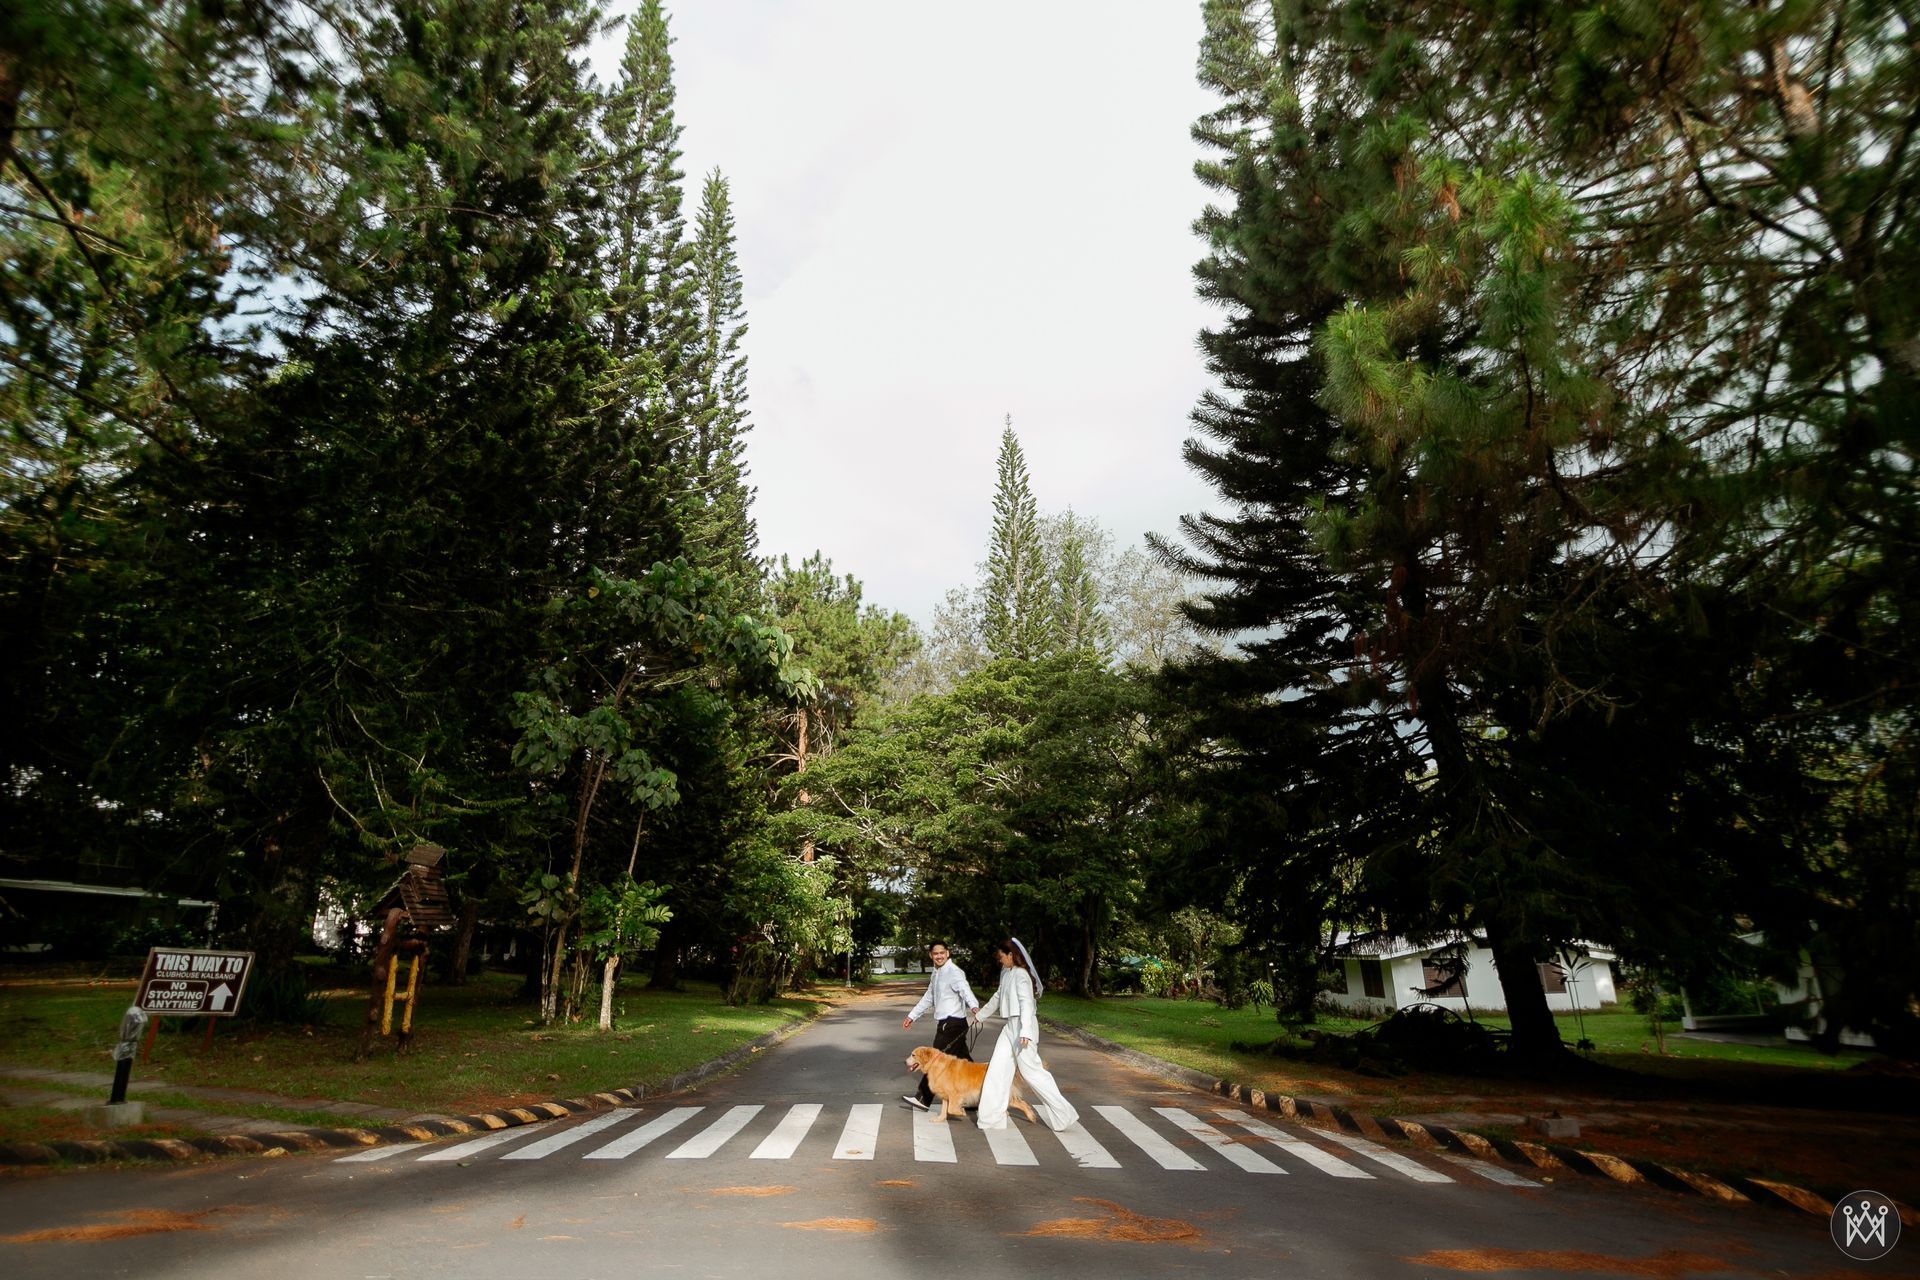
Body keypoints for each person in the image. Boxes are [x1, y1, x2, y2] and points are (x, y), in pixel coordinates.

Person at [969, 937, 1078, 1131]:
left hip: (1022, 1027)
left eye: (1002, 957)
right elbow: (997, 996)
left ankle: (1064, 1114)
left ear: (1011, 955)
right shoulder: (1006, 972)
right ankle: (991, 1118)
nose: (1000, 960)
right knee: (997, 1069)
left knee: (1032, 1073)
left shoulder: (1021, 975)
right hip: (1009, 1027)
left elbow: (1027, 1003)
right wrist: (980, 1016)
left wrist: (1026, 1031)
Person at [901, 941, 979, 1111]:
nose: (939, 956)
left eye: (942, 953)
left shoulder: (954, 972)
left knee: (934, 1061)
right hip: (948, 1024)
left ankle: (923, 1098)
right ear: (931, 955)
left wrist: (974, 1007)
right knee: (967, 1064)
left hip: (952, 1024)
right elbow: (929, 997)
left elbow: (965, 990)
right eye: (935, 953)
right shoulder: (936, 973)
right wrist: (912, 1016)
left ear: (947, 953)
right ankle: (977, 1099)